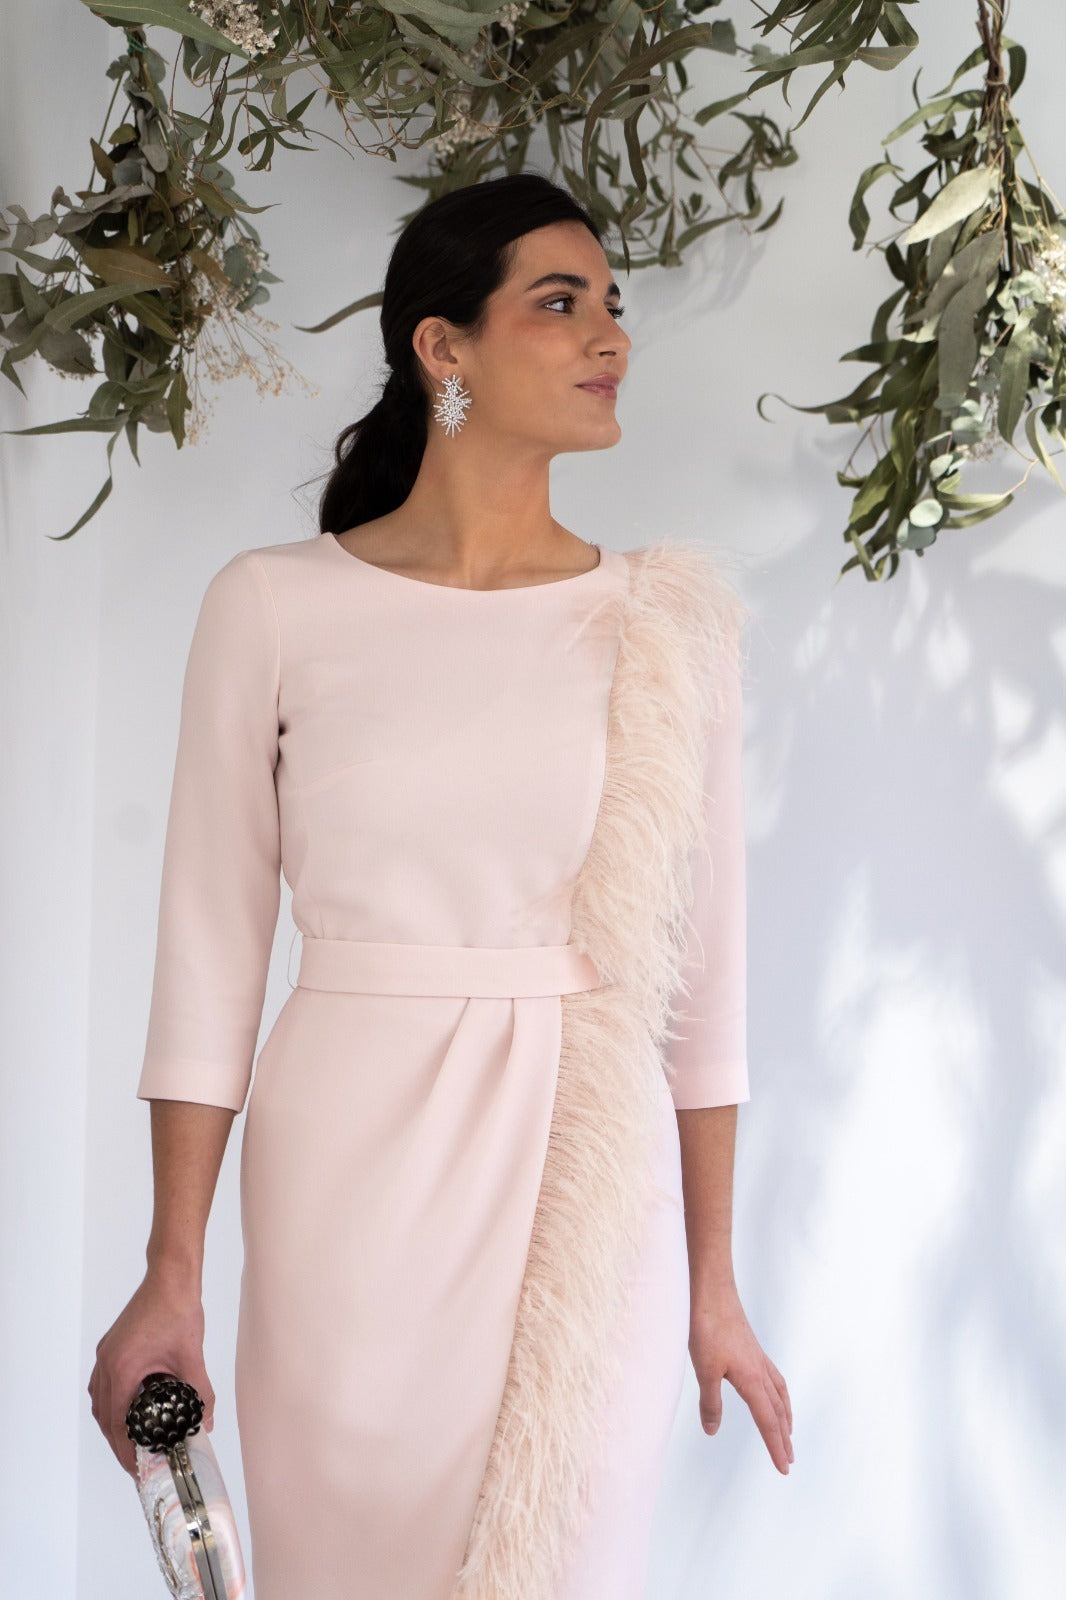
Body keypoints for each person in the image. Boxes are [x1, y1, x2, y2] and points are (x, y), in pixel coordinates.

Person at [88, 170, 793, 1600]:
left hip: (588, 1187)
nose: (609, 336)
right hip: (344, 1184)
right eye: (559, 303)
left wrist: (714, 1286)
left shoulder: (665, 624)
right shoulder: (273, 604)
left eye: (611, 305)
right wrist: (172, 1273)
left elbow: (703, 984)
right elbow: (208, 966)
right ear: (441, 346)